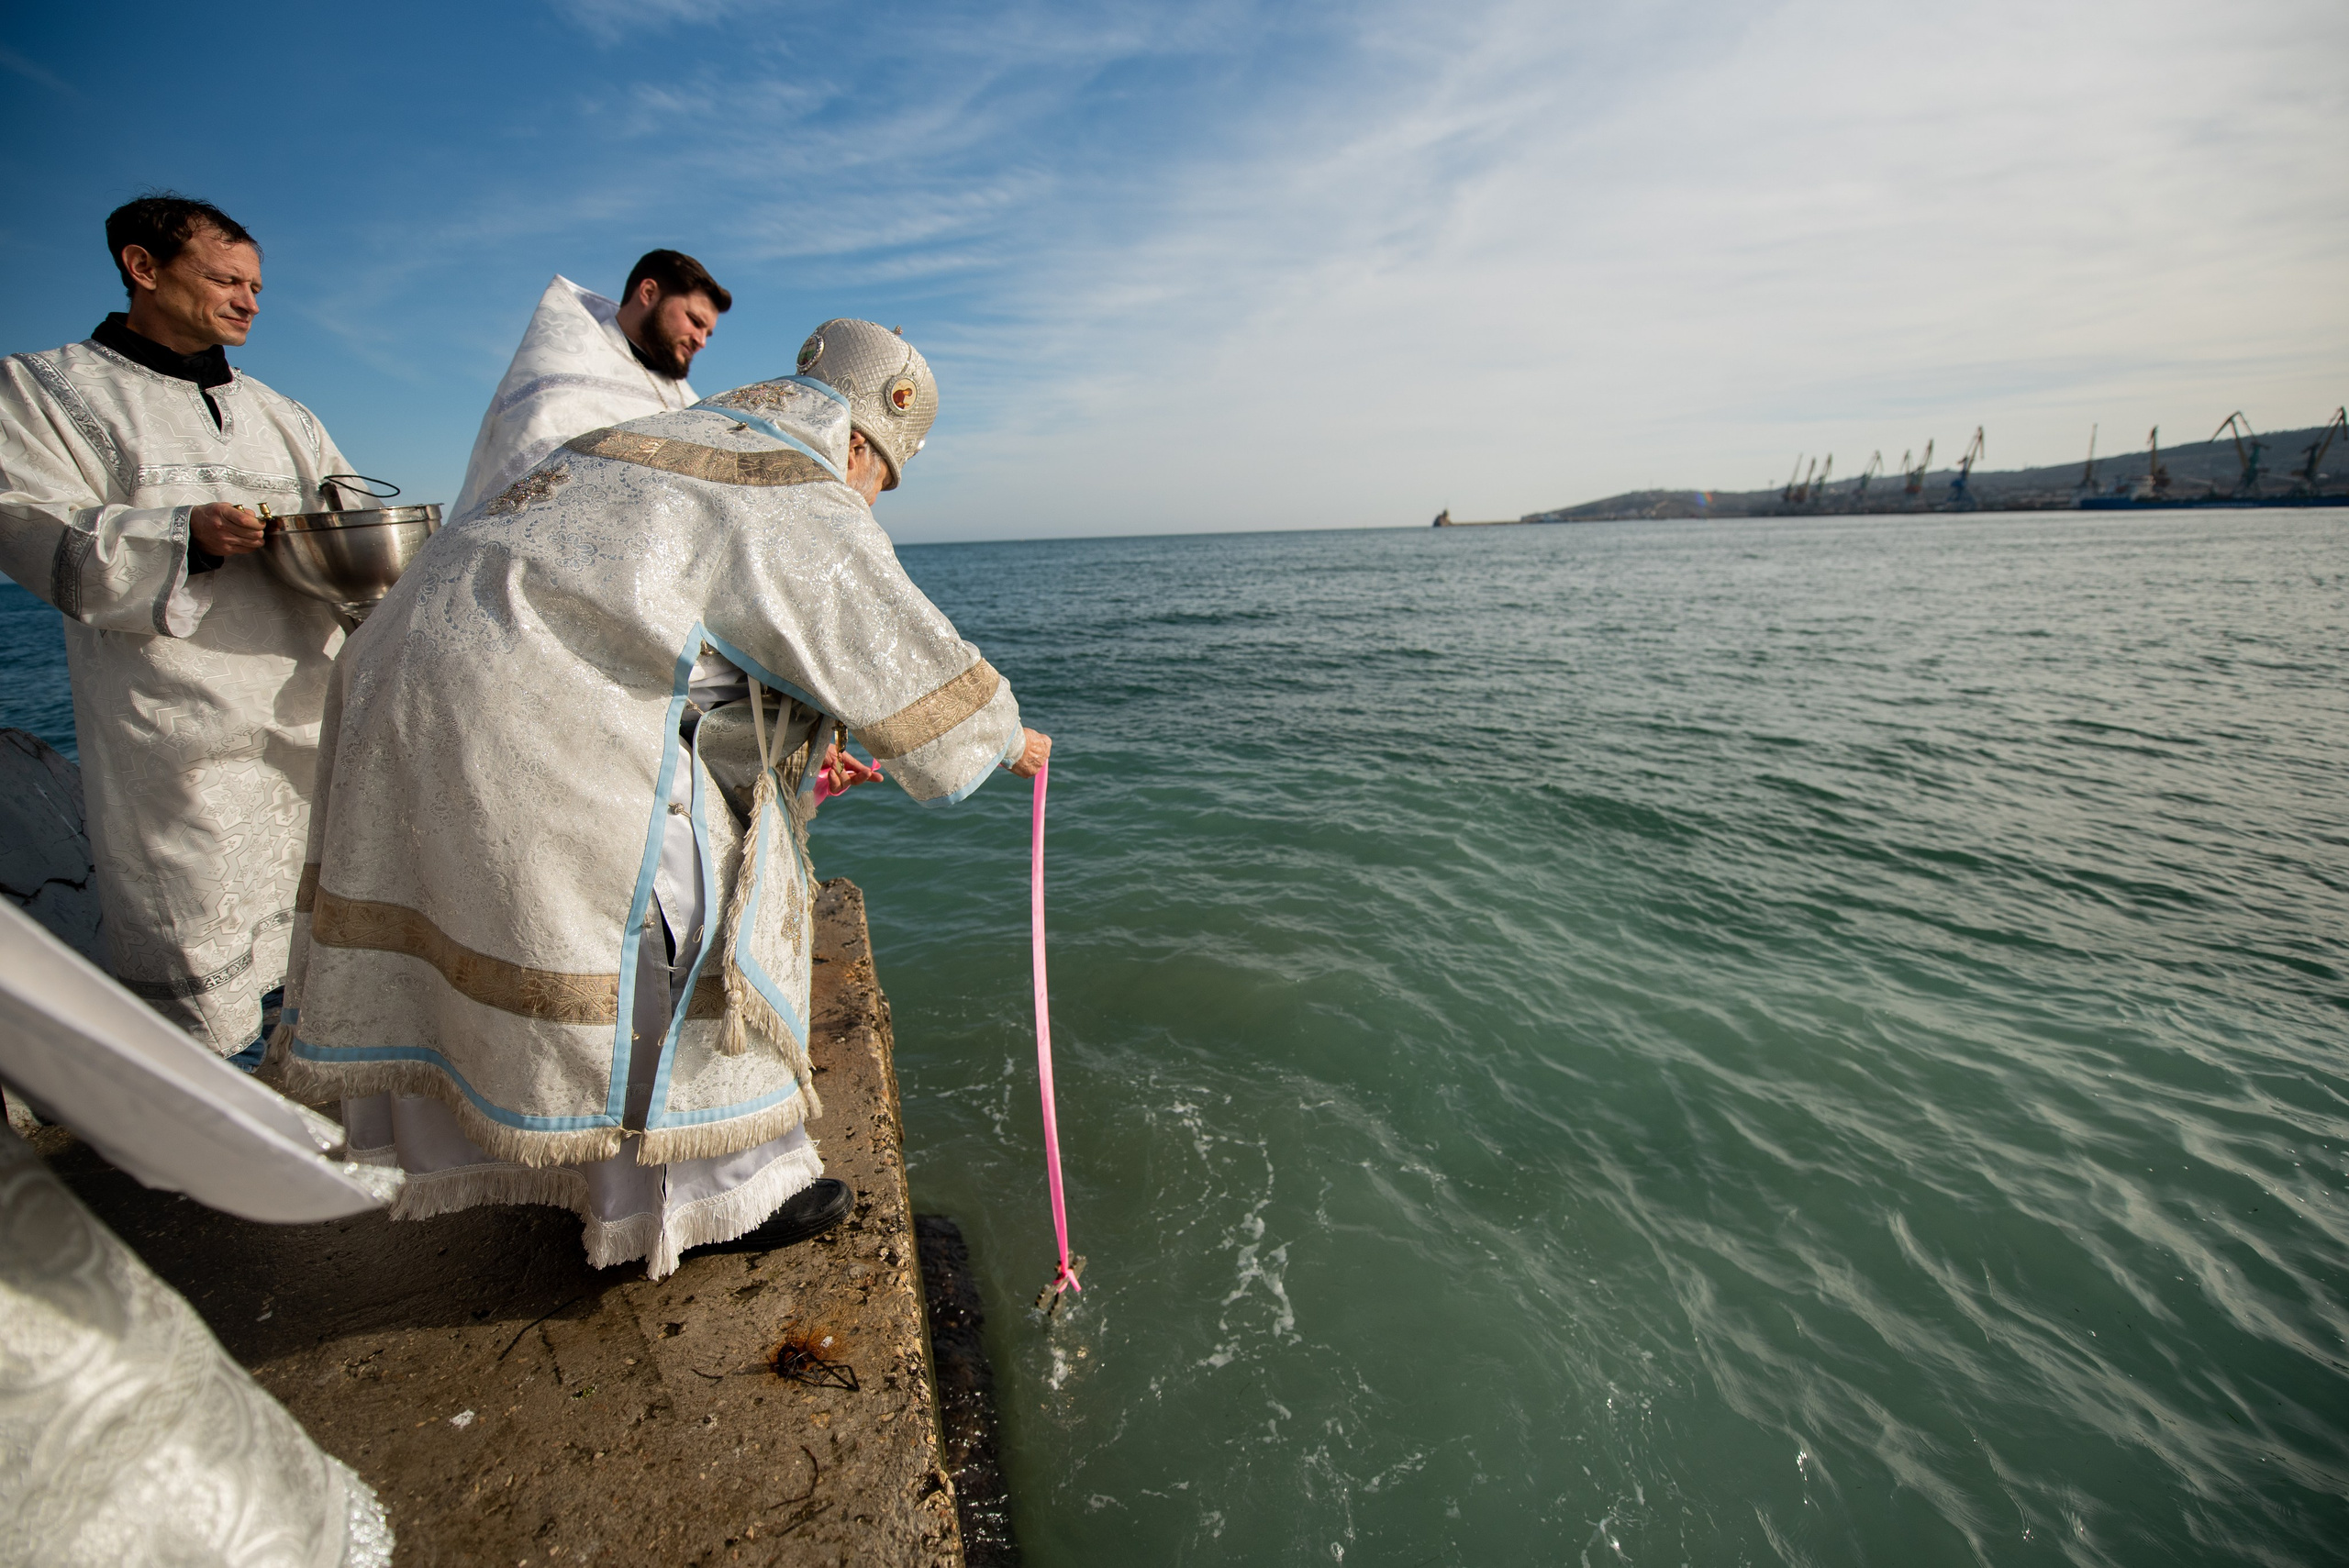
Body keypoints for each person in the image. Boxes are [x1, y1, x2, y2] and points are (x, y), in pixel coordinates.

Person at [267, 320, 1051, 1277]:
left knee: (528, 921)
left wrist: (812, 755)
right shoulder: (790, 479)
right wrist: (1002, 733)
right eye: (881, 479)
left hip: (399, 671)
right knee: (664, 900)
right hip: (528, 705)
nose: (871, 501)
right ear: (857, 441)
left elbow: (668, 642)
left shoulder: (648, 439)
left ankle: (558, 1155)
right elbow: (890, 647)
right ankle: (719, 1189)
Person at [0, 193, 373, 1063]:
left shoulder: (284, 413)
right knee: (205, 949)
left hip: (304, 720)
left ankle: (307, 1100)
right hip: (174, 736)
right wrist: (184, 536)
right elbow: (25, 522)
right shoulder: (44, 389)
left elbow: (356, 521)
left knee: (314, 945)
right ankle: (219, 1111)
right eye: (226, 280)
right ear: (142, 267)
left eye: (256, 286)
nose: (249, 301)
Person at [450, 250, 729, 518]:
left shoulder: (689, 402)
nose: (701, 341)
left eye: (708, 333)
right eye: (694, 321)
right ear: (648, 293)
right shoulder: (565, 373)